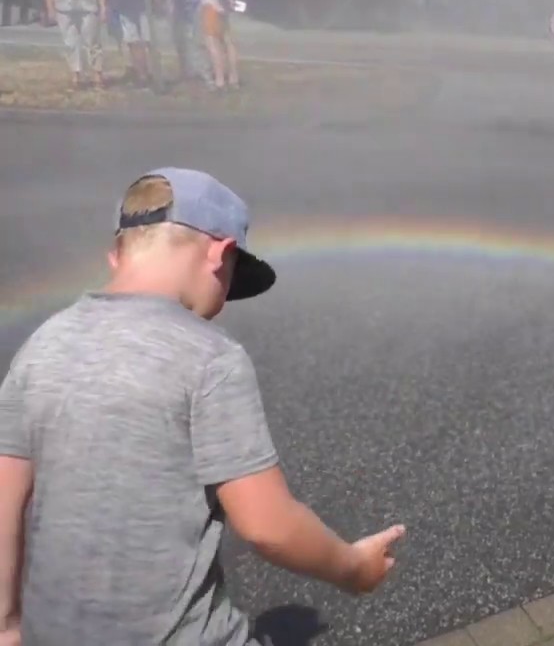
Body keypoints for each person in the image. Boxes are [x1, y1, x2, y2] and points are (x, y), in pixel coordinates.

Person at [0, 168, 406, 646]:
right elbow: (267, 526)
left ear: (117, 255)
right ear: (221, 253)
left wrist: (7, 623)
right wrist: (353, 568)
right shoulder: (210, 357)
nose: (224, 302)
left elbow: (5, 500)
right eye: (231, 281)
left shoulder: (43, 345)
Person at [110, 0, 152, 86]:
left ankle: (142, 75)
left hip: (132, 10)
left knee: (136, 44)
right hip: (133, 10)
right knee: (139, 43)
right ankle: (143, 74)